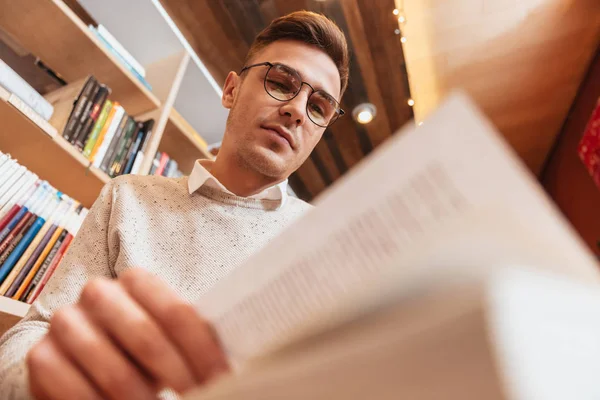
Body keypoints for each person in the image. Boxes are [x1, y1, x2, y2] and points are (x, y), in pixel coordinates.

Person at [0, 10, 349, 400]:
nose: (297, 110)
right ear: (231, 90)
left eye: (318, 107)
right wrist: (39, 384)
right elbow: (37, 329)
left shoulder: (327, 237)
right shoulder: (127, 196)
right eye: (282, 83)